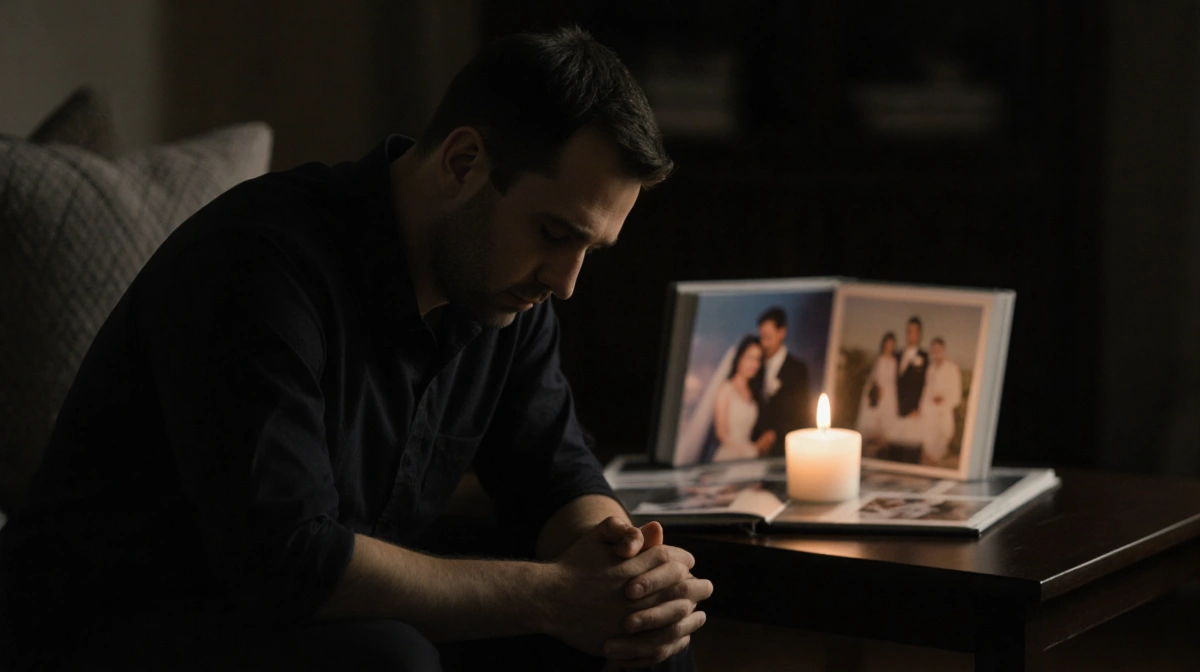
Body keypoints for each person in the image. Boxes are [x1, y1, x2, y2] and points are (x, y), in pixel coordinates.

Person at [0, 28, 712, 671]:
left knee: (635, 646)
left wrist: (629, 573)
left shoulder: (505, 291)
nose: (566, 283)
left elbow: (557, 476)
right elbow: (289, 558)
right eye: (557, 234)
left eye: (591, 248)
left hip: (302, 615)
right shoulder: (259, 262)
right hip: (117, 623)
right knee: (384, 659)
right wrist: (552, 597)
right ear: (463, 162)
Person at [751, 307, 812, 457]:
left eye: (769, 337)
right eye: (762, 337)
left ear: (782, 332)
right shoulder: (755, 366)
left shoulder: (797, 369)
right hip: (755, 449)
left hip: (785, 451)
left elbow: (800, 414)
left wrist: (774, 435)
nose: (764, 343)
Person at [711, 336, 774, 462]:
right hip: (729, 456)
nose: (755, 364)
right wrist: (747, 450)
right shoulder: (726, 389)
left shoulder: (754, 393)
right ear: (739, 358)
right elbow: (721, 432)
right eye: (750, 358)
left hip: (750, 457)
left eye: (758, 360)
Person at [919, 337, 964, 465]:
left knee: (944, 436)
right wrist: (923, 408)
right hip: (929, 411)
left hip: (944, 413)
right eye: (933, 350)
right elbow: (926, 391)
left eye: (938, 349)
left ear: (943, 350)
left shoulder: (952, 368)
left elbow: (956, 394)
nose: (936, 352)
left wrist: (944, 400)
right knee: (927, 441)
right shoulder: (930, 369)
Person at [855, 331, 899, 443]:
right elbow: (875, 376)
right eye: (887, 344)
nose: (889, 347)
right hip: (879, 391)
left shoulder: (894, 361)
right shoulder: (879, 359)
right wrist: (878, 388)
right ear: (884, 345)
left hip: (890, 392)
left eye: (891, 345)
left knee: (887, 418)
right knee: (874, 415)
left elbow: (893, 379)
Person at [895, 316, 929, 418]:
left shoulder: (925, 358)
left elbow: (925, 385)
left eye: (914, 332)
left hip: (912, 413)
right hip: (892, 410)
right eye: (909, 331)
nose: (911, 335)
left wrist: (918, 408)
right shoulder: (896, 356)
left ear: (919, 334)